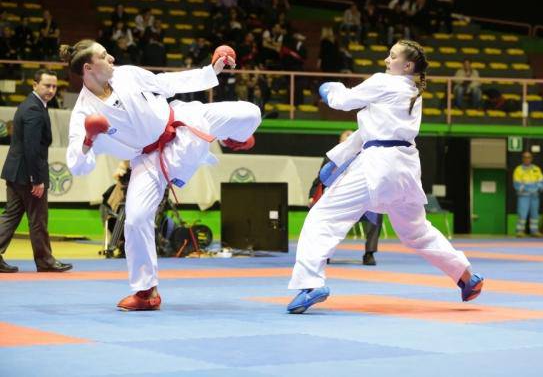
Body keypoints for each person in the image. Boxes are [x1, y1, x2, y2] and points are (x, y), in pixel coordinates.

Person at [286, 39, 483, 314]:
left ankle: (310, 284)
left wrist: (329, 88)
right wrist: (337, 158)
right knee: (417, 231)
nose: (387, 60)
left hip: (377, 166)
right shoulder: (413, 92)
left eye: (392, 56)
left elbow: (342, 101)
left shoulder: (384, 82)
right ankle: (465, 276)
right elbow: (371, 130)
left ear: (407, 65)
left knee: (322, 217)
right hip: (406, 168)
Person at [62, 40, 261, 310]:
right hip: (149, 159)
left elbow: (166, 84)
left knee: (251, 113)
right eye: (103, 56)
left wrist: (211, 70)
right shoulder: (84, 113)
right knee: (135, 219)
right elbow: (77, 165)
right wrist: (88, 138)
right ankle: (146, 292)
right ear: (89, 68)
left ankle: (230, 138)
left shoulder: (127, 74)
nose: (111, 57)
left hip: (183, 124)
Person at [0, 70, 73, 273]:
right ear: (35, 85)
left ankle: (44, 260)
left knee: (11, 215)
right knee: (38, 218)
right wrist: (36, 179)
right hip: (26, 174)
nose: (51, 90)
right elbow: (32, 148)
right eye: (46, 85)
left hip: (16, 172)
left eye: (54, 86)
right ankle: (45, 262)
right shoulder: (33, 108)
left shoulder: (31, 105)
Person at [308, 130, 381, 266]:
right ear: (340, 143)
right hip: (338, 202)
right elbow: (319, 180)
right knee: (324, 217)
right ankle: (325, 252)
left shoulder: (366, 158)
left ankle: (369, 253)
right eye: (345, 140)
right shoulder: (332, 158)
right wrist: (312, 197)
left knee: (376, 212)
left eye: (351, 139)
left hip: (360, 203)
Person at [513, 151, 543, 237]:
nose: (527, 159)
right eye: (525, 157)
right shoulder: (518, 170)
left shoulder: (537, 169)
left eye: (529, 157)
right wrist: (532, 188)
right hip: (523, 196)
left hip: (535, 196)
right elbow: (517, 184)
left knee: (534, 213)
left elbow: (542, 182)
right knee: (522, 213)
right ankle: (520, 231)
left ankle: (534, 231)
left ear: (531, 158)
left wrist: (534, 187)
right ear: (522, 158)